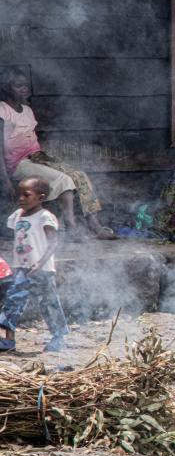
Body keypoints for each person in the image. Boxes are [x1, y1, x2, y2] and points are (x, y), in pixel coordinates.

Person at [0, 68, 114, 239]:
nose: (24, 89)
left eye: (25, 85)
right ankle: (71, 228)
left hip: (37, 157)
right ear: (7, 88)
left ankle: (94, 225)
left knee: (79, 175)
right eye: (18, 86)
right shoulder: (2, 110)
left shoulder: (27, 110)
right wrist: (6, 180)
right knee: (64, 180)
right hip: (18, 164)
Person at [0, 178, 69, 352]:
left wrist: (40, 262)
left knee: (49, 303)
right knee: (12, 302)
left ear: (41, 197)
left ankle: (58, 337)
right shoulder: (16, 215)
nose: (21, 198)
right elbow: (15, 240)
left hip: (42, 270)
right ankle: (8, 341)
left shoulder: (45, 217)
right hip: (21, 269)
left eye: (26, 195)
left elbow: (53, 243)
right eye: (19, 195)